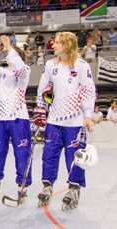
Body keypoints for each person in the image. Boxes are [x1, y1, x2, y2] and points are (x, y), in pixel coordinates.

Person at [34, 32, 96, 210]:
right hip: (54, 121)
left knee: (75, 158)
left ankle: (74, 188)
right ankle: (47, 186)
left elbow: (88, 92)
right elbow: (45, 89)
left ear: (67, 45)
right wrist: (41, 109)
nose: (53, 44)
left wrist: (88, 115)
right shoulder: (50, 64)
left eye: (58, 42)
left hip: (75, 123)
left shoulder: (82, 66)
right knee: (49, 156)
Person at [0, 36, 32, 200]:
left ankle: (22, 186)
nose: (7, 55)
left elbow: (18, 67)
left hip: (19, 118)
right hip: (0, 118)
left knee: (22, 153)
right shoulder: (3, 72)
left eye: (10, 53)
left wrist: (10, 47)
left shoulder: (24, 70)